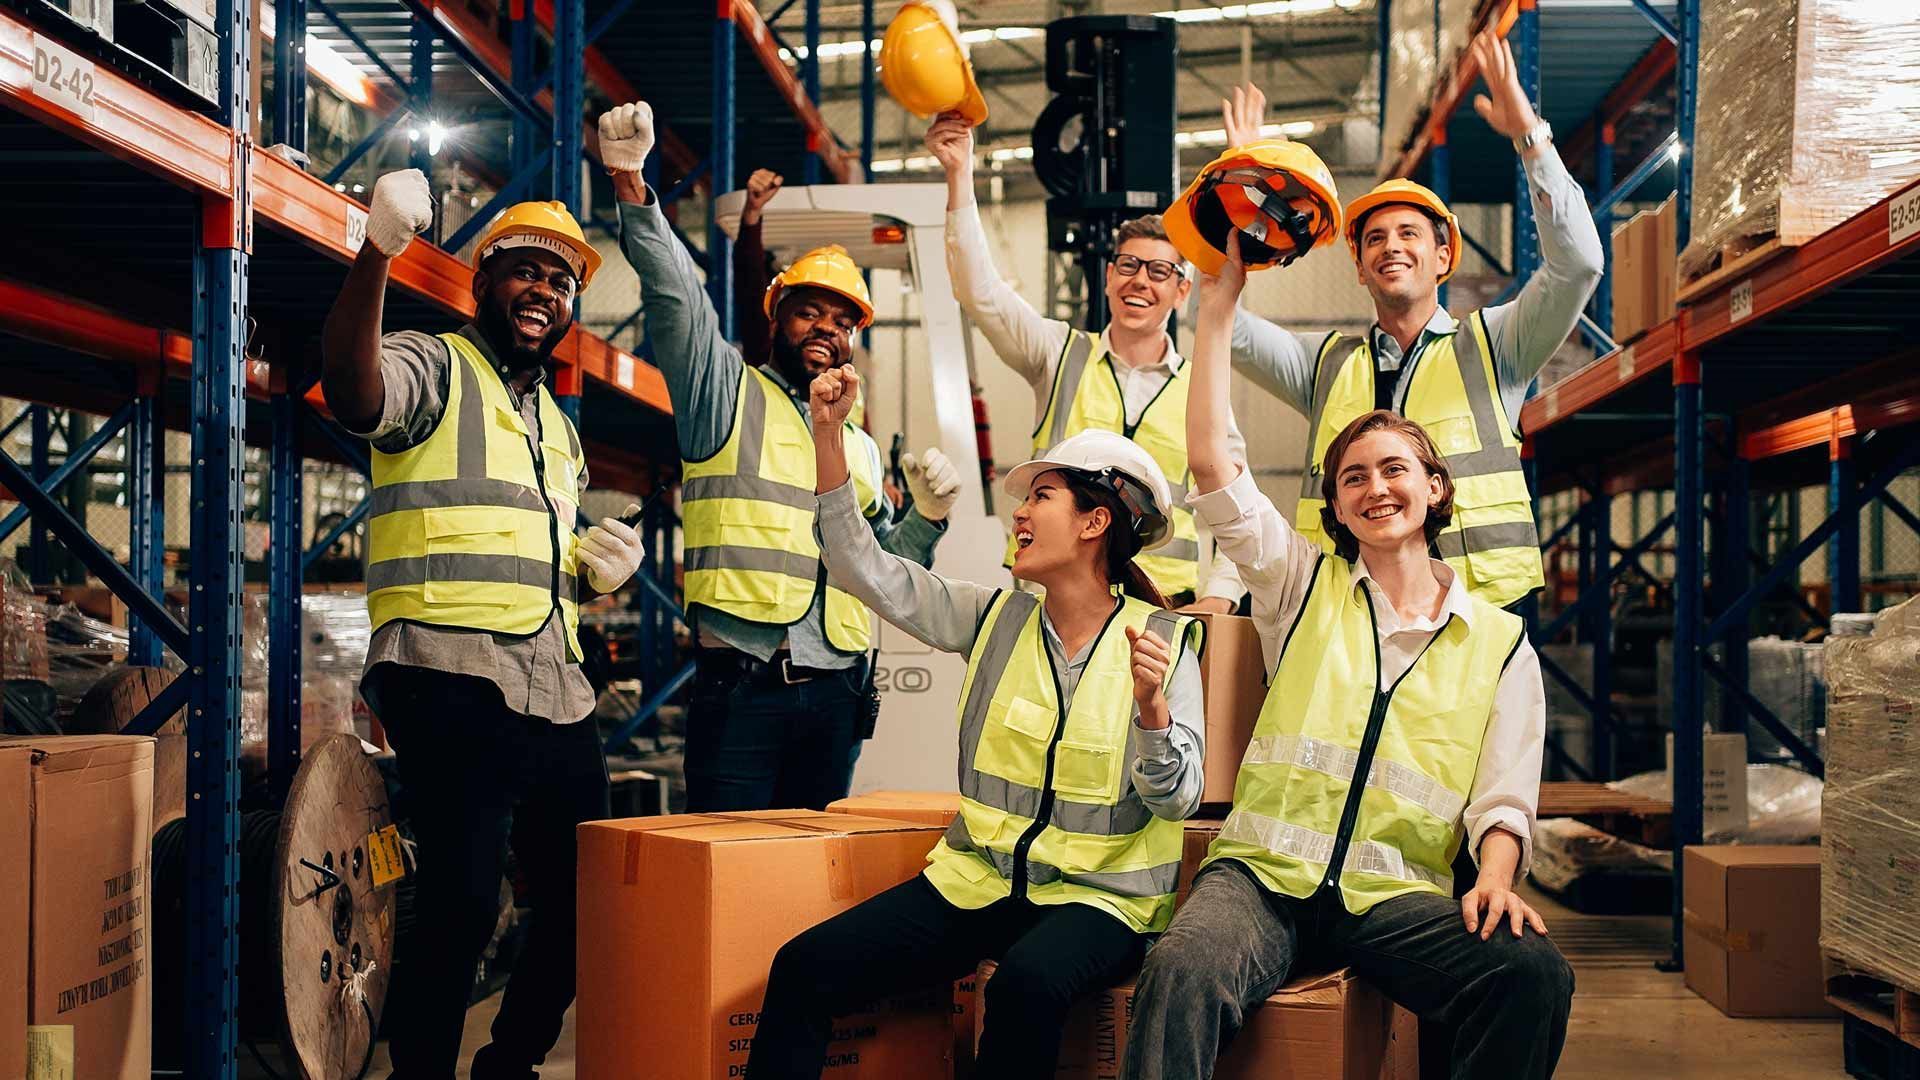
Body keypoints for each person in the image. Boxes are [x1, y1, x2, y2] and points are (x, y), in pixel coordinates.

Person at [1121, 231, 1571, 1080]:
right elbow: (1215, 465)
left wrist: (1498, 878)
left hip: (1391, 895)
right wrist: (1216, 314)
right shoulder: (1300, 585)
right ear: (1335, 502)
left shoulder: (1498, 641)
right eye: (1353, 477)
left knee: (1530, 973)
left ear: (1434, 489)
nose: (1375, 489)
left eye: (1394, 470)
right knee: (1181, 968)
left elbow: (1504, 796)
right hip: (1262, 879)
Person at [746, 363, 1207, 1080]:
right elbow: (863, 569)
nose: (1020, 513)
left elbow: (1177, 801)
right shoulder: (992, 618)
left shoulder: (1165, 643)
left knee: (1025, 984)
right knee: (803, 967)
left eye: (1041, 497)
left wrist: (1154, 715)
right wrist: (827, 435)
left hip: (1099, 901)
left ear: (1095, 521)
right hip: (978, 884)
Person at [321, 170, 646, 1080]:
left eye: (561, 281)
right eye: (525, 272)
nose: (544, 291)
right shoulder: (437, 362)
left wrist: (587, 573)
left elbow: (513, 539)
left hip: (554, 678)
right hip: (445, 668)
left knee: (585, 903)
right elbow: (353, 392)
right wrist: (376, 252)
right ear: (485, 282)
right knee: (463, 903)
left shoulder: (558, 423)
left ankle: (510, 1065)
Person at [597, 101, 960, 811]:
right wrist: (634, 188)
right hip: (744, 690)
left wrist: (930, 517)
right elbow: (679, 299)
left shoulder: (854, 442)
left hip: (839, 695)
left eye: (843, 320)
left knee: (808, 884)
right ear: (776, 320)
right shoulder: (725, 395)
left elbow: (888, 568)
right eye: (808, 312)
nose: (826, 329)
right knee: (727, 879)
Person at [1222, 27, 1604, 610]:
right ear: (1359, 268)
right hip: (1346, 612)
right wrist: (1248, 191)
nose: (1390, 247)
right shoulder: (1323, 366)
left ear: (1443, 256)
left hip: (1474, 614)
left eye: (1409, 234)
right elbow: (1225, 324)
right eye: (1374, 238)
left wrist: (1531, 137)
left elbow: (1578, 263)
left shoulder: (1496, 346)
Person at [925, 112, 1249, 613]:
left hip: (1161, 608)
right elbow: (980, 292)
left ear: (1182, 291)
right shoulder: (1057, 354)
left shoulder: (1201, 390)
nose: (1140, 280)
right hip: (1055, 602)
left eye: (1160, 271)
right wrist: (960, 177)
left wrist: (1220, 599)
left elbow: (1233, 502)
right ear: (1107, 278)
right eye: (1129, 265)